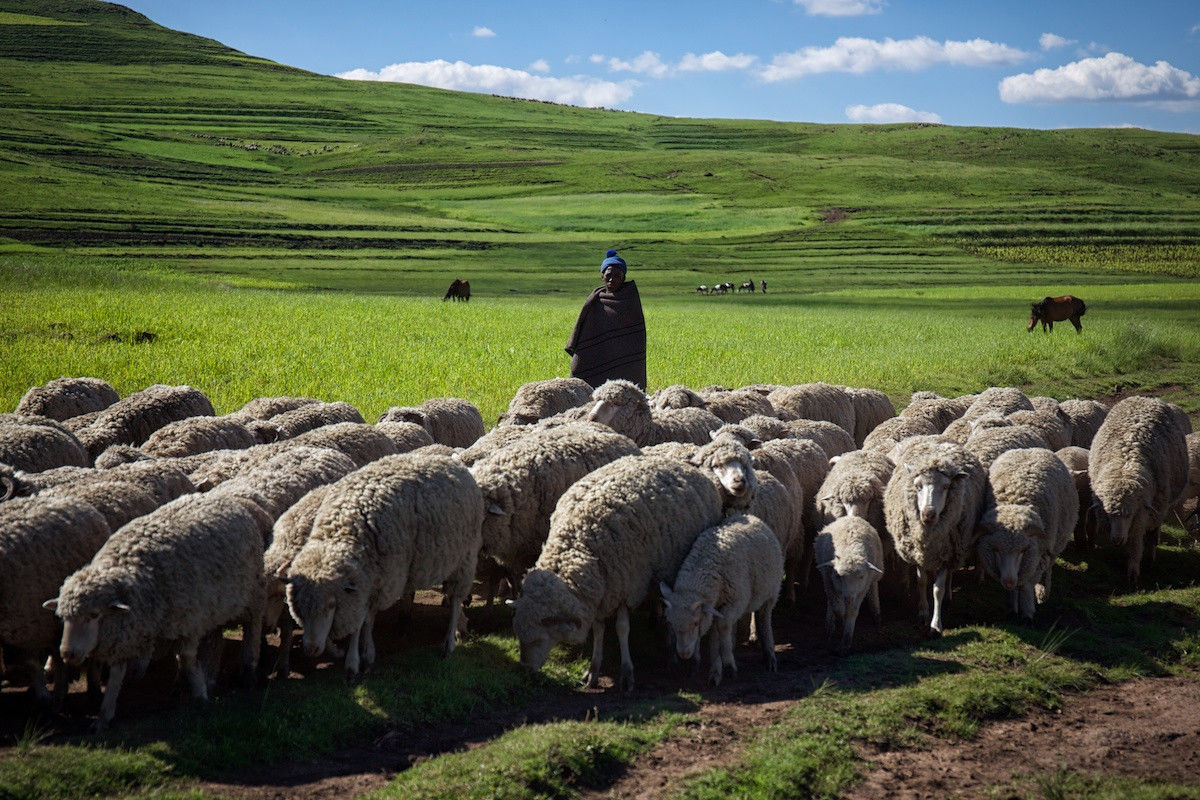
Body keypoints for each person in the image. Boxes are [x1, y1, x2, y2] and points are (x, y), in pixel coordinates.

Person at [564, 249, 647, 390]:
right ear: (602, 276)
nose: (611, 279)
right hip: (597, 355)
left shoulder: (629, 300)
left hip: (624, 362)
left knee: (625, 392)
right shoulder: (594, 301)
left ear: (623, 278)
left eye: (617, 276)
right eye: (608, 275)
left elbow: (635, 337)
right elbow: (586, 331)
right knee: (583, 384)